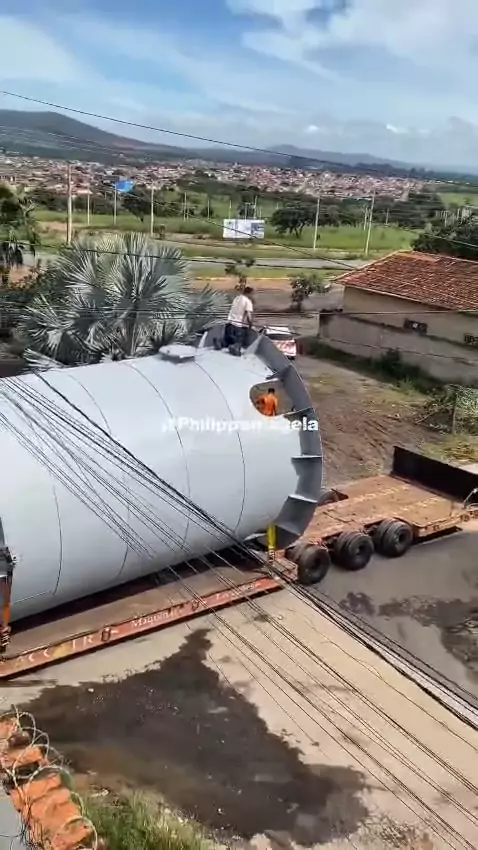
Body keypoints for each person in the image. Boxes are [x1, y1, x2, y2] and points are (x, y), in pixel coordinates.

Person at [224, 286, 254, 352]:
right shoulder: (247, 301)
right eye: (252, 294)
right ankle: (235, 347)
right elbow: (249, 316)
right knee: (239, 340)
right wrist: (251, 325)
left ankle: (221, 343)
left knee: (228, 340)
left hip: (229, 323)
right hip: (237, 325)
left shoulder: (236, 298)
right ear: (249, 293)